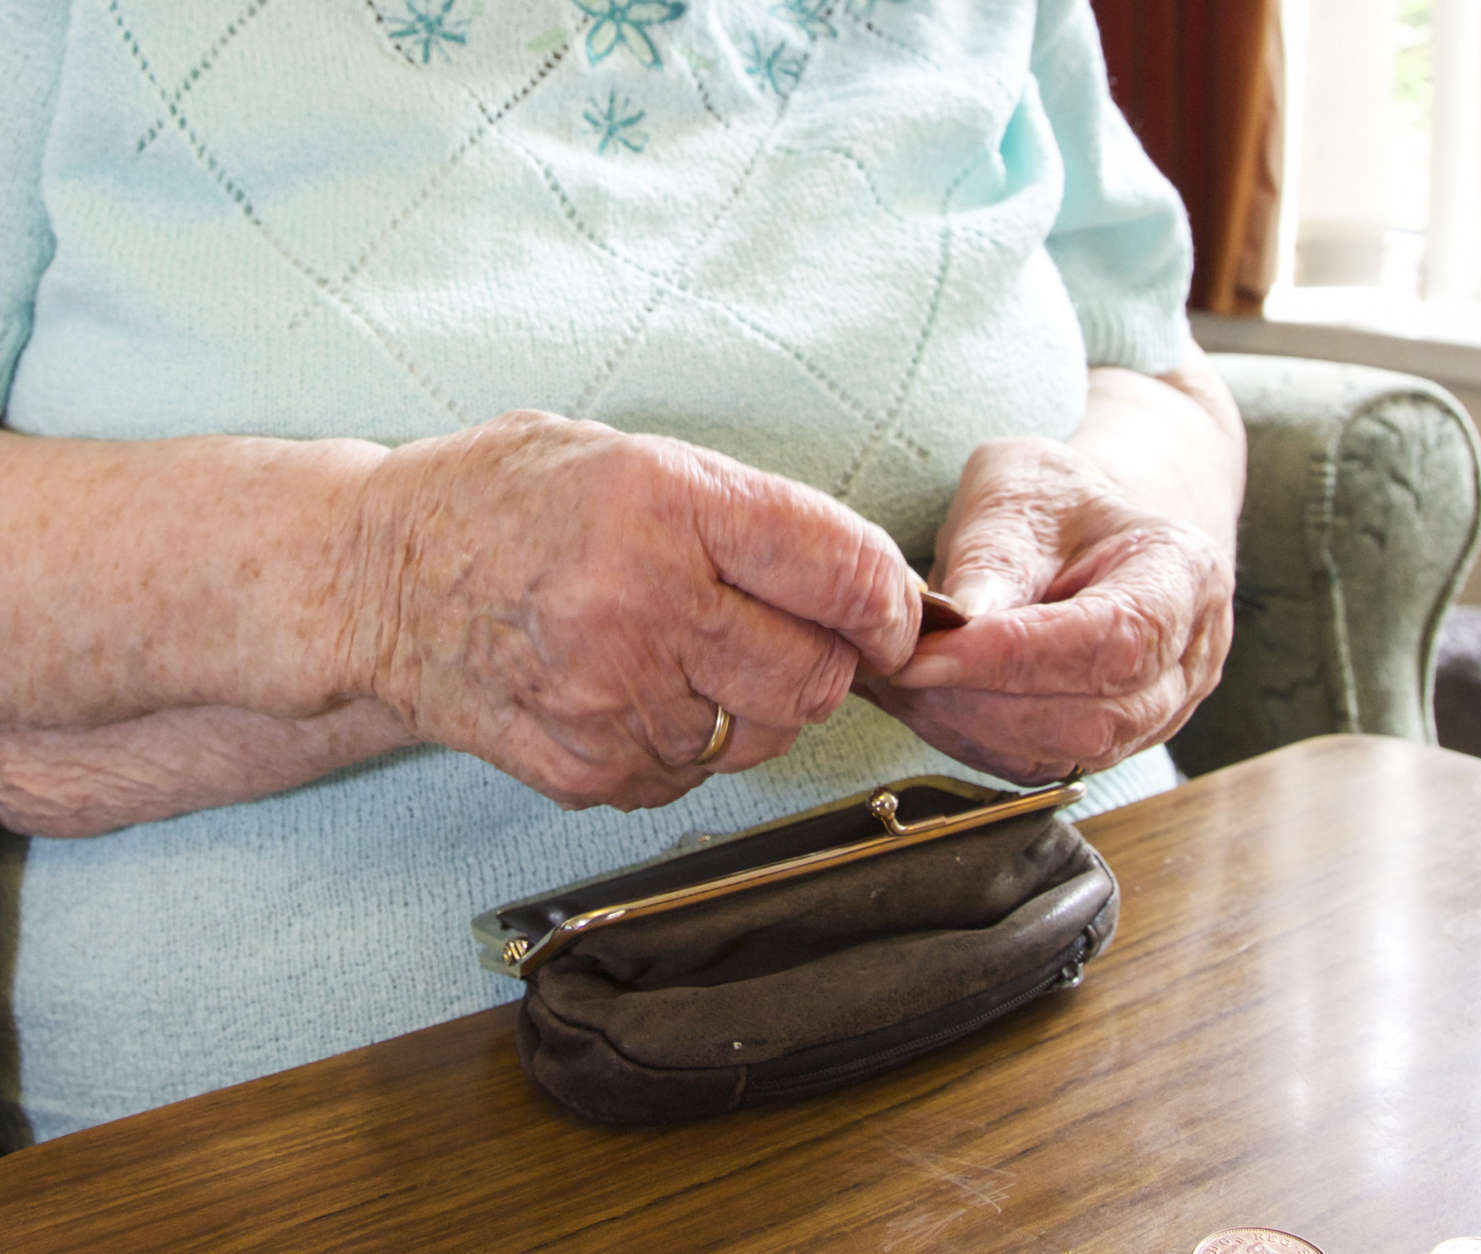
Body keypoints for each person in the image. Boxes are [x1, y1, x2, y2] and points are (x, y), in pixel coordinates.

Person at [0, 0, 1244, 1145]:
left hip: (1090, 960)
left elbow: (1150, 362)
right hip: (358, 1123)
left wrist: (1140, 518)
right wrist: (389, 578)